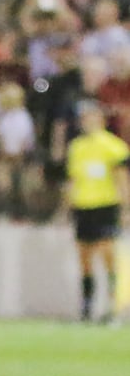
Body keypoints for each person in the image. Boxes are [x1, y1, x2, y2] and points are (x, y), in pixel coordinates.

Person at [64, 101, 129, 323]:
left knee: (108, 254)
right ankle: (87, 307)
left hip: (106, 205)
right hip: (84, 205)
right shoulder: (77, 147)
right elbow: (73, 179)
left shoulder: (114, 146)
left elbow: (122, 179)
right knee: (84, 258)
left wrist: (125, 208)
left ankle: (114, 306)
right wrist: (66, 205)